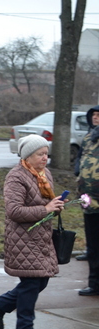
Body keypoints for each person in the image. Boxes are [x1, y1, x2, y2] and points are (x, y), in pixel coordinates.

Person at [0, 135, 63, 329]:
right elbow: (14, 211)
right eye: (40, 154)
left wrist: (55, 207)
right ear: (27, 156)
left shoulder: (44, 174)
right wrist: (45, 209)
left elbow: (45, 205)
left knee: (41, 281)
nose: (45, 158)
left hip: (41, 238)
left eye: (46, 153)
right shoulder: (15, 177)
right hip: (23, 239)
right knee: (30, 284)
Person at [76, 105, 99, 296]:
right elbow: (80, 158)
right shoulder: (88, 138)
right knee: (93, 244)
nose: (96, 118)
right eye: (94, 115)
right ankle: (94, 284)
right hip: (88, 199)